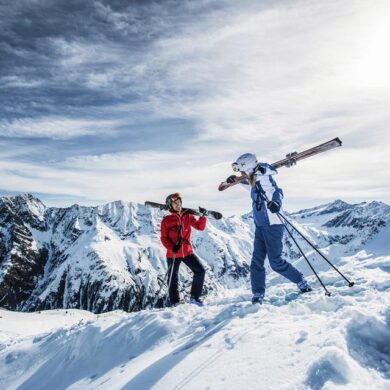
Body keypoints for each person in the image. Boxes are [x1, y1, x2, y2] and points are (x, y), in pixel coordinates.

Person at [226, 153, 312, 304]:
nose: (240, 173)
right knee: (256, 262)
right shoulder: (253, 180)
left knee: (276, 262)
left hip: (273, 224)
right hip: (260, 225)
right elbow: (251, 185)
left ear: (248, 167)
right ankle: (258, 293)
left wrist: (276, 203)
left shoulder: (264, 174)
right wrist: (237, 181)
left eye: (241, 170)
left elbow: (277, 189)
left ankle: (300, 281)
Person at [160, 192, 207, 307]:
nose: (178, 204)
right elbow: (164, 238)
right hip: (173, 253)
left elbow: (200, 227)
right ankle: (175, 303)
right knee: (173, 279)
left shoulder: (188, 216)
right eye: (175, 203)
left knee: (200, 271)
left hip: (187, 252)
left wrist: (203, 217)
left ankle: (194, 298)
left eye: (179, 202)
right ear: (170, 206)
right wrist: (172, 247)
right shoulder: (167, 220)